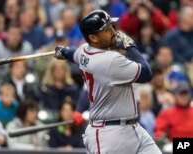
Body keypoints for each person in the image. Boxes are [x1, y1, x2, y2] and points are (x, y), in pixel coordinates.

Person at [53, 10, 161, 153]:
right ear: (93, 38)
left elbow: (74, 54)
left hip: (133, 129)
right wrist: (130, 46)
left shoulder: (84, 50)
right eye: (106, 29)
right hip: (109, 135)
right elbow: (146, 74)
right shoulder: (110, 61)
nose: (113, 31)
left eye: (112, 26)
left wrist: (65, 52)